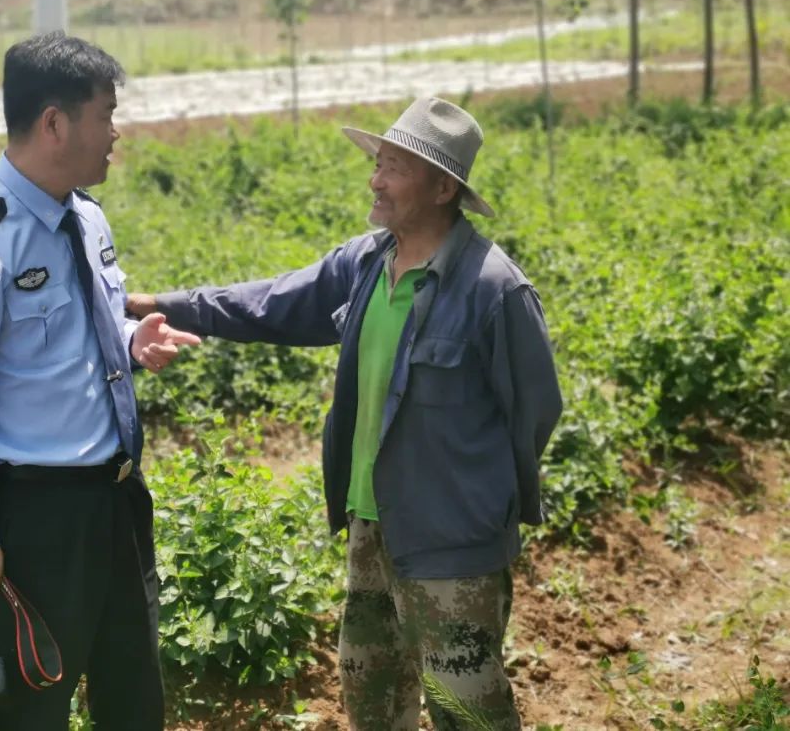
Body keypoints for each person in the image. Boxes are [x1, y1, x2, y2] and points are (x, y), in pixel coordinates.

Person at [128, 97, 562, 730]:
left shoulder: (493, 290)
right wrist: (161, 304)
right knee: (372, 697)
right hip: (370, 528)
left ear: (444, 188)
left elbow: (535, 413)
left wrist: (474, 510)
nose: (376, 181)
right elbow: (271, 302)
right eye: (377, 164)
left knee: (467, 712)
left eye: (395, 168)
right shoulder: (366, 263)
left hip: (453, 547)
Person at [0, 31, 199, 730]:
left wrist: (130, 341)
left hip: (116, 502)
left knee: (133, 700)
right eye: (106, 114)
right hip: (36, 521)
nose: (116, 132)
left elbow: (73, 334)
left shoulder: (85, 217)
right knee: (30, 710)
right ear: (54, 123)